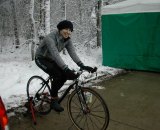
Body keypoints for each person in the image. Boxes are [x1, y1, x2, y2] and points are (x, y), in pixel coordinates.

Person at [35, 20, 93, 112]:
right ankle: (54, 99)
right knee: (57, 74)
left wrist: (82, 65)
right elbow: (55, 54)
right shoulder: (50, 38)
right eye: (66, 29)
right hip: (41, 58)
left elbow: (73, 53)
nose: (68, 32)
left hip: (51, 60)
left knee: (64, 76)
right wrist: (66, 69)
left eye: (70, 30)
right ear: (60, 29)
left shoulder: (67, 40)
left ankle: (52, 92)